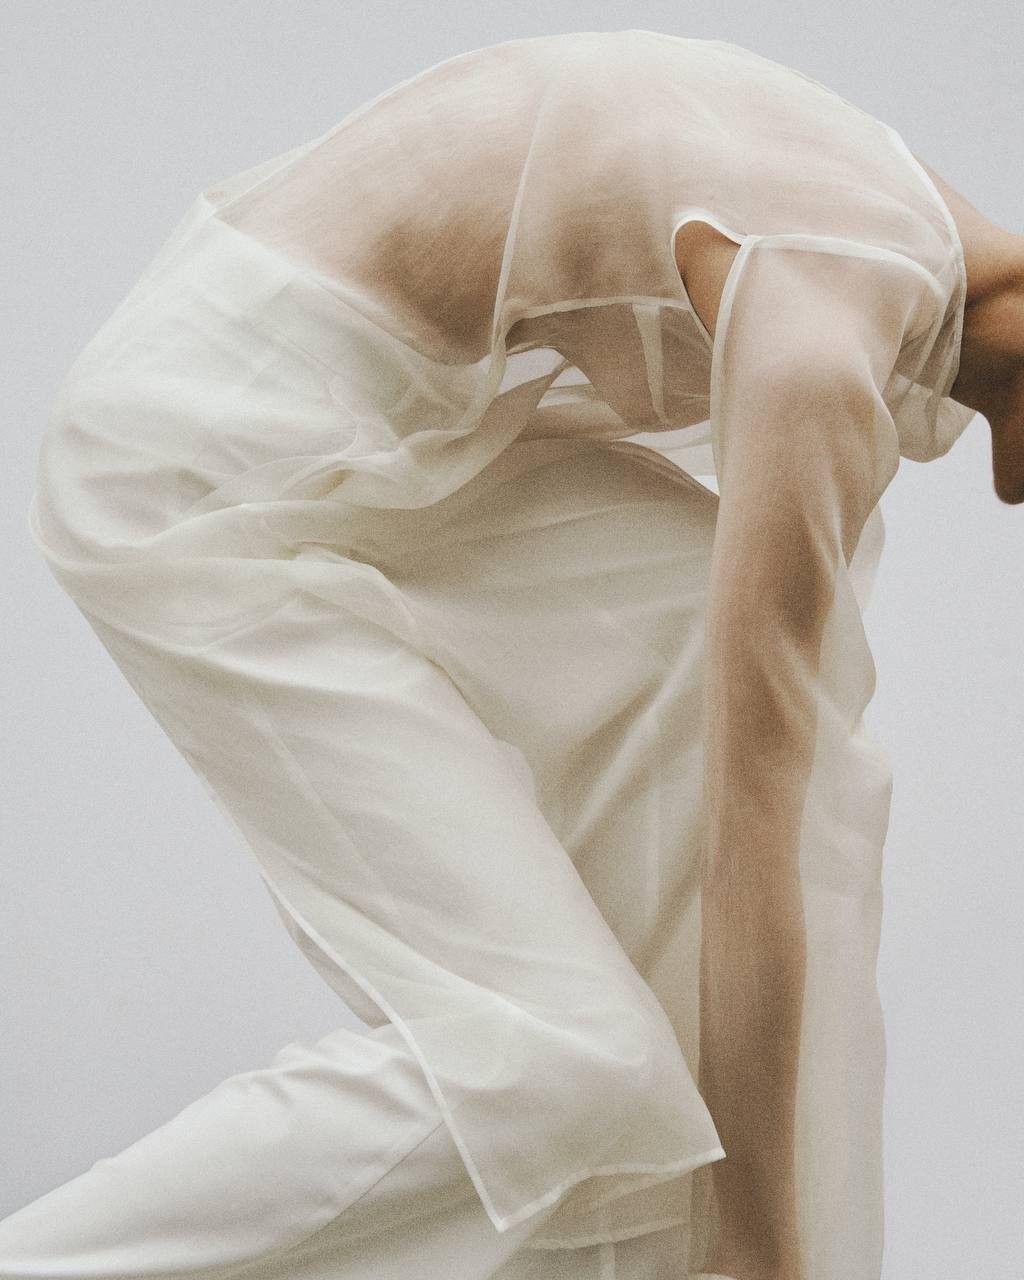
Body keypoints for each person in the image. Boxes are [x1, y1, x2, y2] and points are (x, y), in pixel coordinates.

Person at [2, 27, 1016, 1280]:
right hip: (202, 456)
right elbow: (753, 841)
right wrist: (764, 1252)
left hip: (385, 435)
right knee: (561, 1063)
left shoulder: (918, 228)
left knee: (679, 621)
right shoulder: (818, 324)